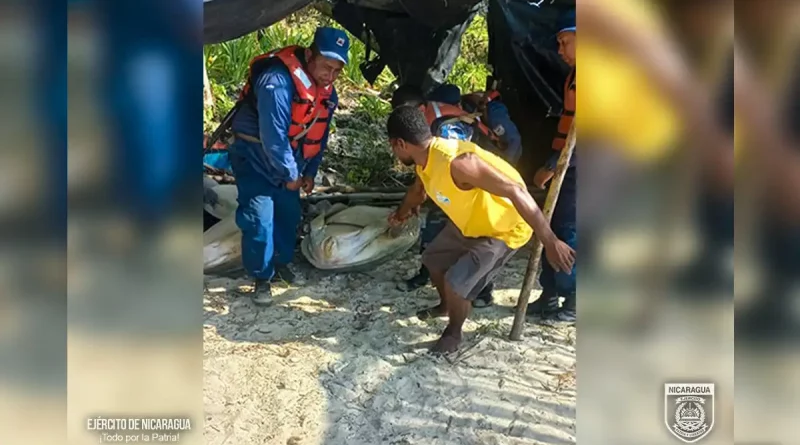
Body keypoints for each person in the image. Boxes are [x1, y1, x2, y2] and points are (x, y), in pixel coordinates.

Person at [385, 105, 575, 353]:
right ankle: (446, 306)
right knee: (432, 258)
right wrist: (400, 216)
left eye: (392, 147)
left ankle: (454, 333)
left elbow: (516, 190)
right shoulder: (424, 160)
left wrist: (550, 241)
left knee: (457, 283)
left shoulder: (458, 162)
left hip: (503, 229)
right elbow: (417, 192)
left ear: (400, 143)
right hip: (472, 224)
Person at [227, 27, 350, 305]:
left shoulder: (327, 93)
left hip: (290, 157)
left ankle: (280, 262)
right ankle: (261, 277)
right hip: (255, 155)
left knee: (288, 212)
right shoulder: (276, 83)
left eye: (336, 70)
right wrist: (291, 174)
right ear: (309, 55)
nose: (329, 76)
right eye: (325, 67)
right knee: (259, 217)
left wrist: (309, 172)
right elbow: (273, 138)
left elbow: (320, 133)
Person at [390, 84, 498, 308]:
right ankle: (427, 274)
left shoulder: (445, 127)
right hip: (448, 185)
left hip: (473, 186)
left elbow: (448, 167)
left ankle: (483, 291)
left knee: (475, 241)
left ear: (421, 108)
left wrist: (407, 208)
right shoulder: (420, 128)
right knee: (434, 233)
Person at [526, 11, 578, 322]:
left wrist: (553, 166)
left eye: (564, 42)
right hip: (566, 163)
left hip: (582, 168)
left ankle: (574, 298)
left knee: (570, 230)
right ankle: (550, 291)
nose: (559, 50)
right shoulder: (574, 76)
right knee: (551, 226)